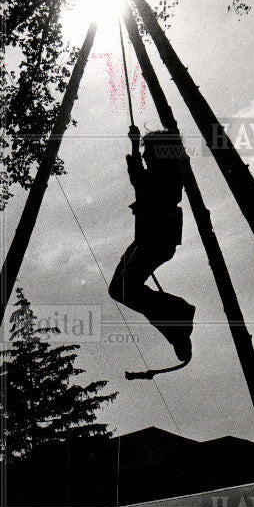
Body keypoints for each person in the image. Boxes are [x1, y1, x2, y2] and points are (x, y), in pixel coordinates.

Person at [108, 125, 195, 363]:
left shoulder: (167, 175)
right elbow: (140, 178)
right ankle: (177, 324)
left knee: (121, 289)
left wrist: (135, 146)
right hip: (150, 239)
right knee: (119, 289)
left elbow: (140, 180)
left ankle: (180, 314)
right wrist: (135, 146)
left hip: (155, 239)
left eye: (148, 152)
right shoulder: (165, 173)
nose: (145, 157)